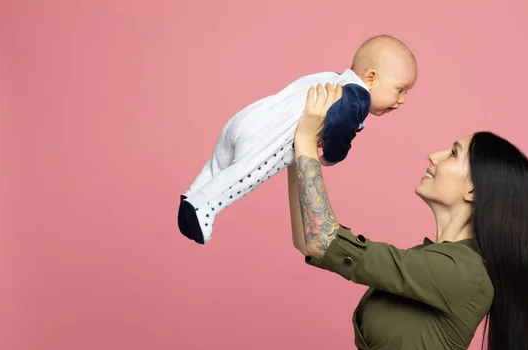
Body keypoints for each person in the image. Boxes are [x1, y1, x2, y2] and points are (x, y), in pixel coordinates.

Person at [288, 83, 528, 350]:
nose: (433, 155)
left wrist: (306, 142)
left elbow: (323, 239)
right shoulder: (431, 259)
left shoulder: (466, 273)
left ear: (473, 191)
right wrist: (296, 153)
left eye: (453, 153)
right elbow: (310, 240)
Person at [178, 35, 417, 244]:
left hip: (249, 117)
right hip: (272, 137)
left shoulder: (331, 78)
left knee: (217, 164)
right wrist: (335, 155)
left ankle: (192, 196)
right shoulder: (357, 97)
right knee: (248, 174)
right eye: (400, 90)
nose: (402, 100)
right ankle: (205, 206)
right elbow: (341, 127)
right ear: (372, 78)